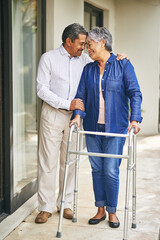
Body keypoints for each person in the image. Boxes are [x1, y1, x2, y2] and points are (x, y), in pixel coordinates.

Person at [35, 23, 128, 224]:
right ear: (68, 41)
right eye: (81, 43)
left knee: (69, 162)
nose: (85, 47)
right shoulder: (48, 58)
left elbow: (103, 56)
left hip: (75, 118)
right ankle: (45, 207)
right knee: (47, 162)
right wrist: (66, 103)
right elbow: (41, 90)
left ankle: (65, 203)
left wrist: (120, 57)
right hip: (53, 114)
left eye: (87, 44)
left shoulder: (85, 59)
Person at [70, 27, 142, 228]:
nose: (87, 49)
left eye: (89, 45)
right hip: (92, 127)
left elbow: (135, 93)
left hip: (115, 129)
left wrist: (135, 119)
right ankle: (100, 209)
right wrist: (77, 117)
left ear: (102, 42)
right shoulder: (89, 69)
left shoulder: (123, 65)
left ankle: (112, 211)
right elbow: (81, 96)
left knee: (110, 170)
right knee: (96, 169)